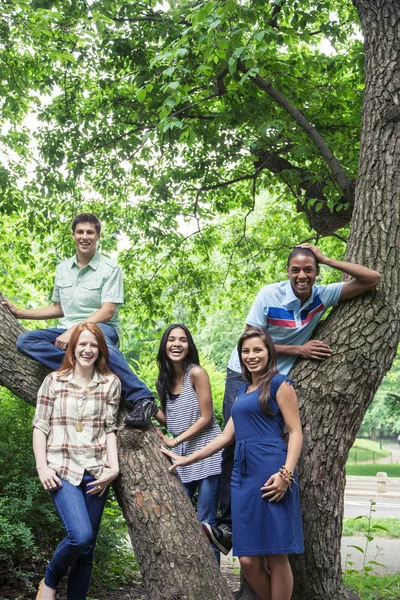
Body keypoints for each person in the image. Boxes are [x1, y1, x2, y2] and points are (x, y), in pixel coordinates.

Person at [214, 243, 381, 552]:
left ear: (317, 272)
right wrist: (299, 349)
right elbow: (248, 343)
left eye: (309, 269)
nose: (301, 276)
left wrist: (328, 258)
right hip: (243, 373)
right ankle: (227, 527)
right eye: (295, 270)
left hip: (275, 379)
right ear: (287, 272)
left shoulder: (323, 295)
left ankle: (262, 519)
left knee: (269, 445)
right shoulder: (269, 295)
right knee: (233, 445)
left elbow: (372, 278)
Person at [162, 327, 303, 600]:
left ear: (269, 353)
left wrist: (286, 474)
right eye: (246, 351)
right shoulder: (242, 390)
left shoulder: (280, 384)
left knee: (276, 555)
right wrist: (185, 457)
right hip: (242, 476)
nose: (251, 356)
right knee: (248, 561)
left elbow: (295, 431)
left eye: (257, 350)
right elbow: (225, 437)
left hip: (271, 469)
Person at [2, 213, 156, 427]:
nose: (85, 237)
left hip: (102, 328)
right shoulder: (62, 269)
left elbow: (107, 311)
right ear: (73, 235)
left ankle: (142, 397)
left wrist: (75, 331)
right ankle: (87, 367)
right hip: (67, 330)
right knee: (25, 342)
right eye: (80, 232)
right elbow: (58, 308)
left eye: (90, 232)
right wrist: (19, 312)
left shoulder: (110, 269)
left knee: (95, 336)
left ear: (98, 236)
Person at [32, 323, 121, 600]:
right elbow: (40, 426)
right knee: (80, 536)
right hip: (61, 468)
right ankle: (49, 582)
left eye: (93, 345)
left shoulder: (110, 383)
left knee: (88, 549)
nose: (87, 349)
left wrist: (114, 467)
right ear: (73, 347)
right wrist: (42, 466)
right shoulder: (54, 381)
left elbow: (109, 428)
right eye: (82, 344)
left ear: (100, 350)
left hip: (95, 471)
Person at [154, 324, 223, 561]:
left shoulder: (197, 373)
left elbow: (206, 418)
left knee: (206, 521)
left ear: (189, 346)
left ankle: (215, 586)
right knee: (177, 515)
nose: (177, 344)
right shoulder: (162, 380)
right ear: (164, 345)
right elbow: (171, 420)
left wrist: (175, 440)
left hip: (207, 453)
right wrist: (151, 412)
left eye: (182, 340)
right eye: (171, 339)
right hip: (182, 458)